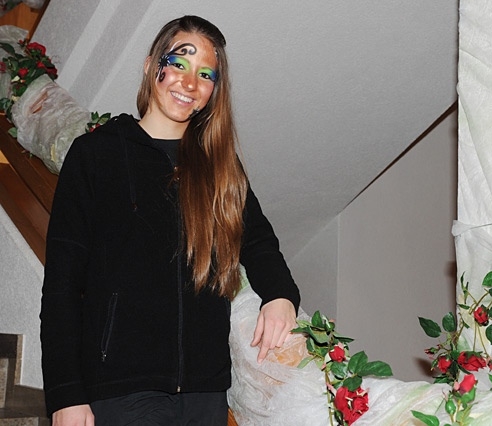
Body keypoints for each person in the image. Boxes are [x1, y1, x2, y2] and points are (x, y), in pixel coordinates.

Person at [40, 15, 300, 426]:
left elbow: (258, 242)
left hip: (206, 392)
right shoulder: (95, 155)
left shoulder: (220, 166)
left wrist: (281, 296)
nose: (189, 83)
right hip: (121, 390)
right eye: (178, 64)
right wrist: (65, 394)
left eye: (205, 74)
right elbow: (62, 286)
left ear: (213, 91)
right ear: (150, 66)